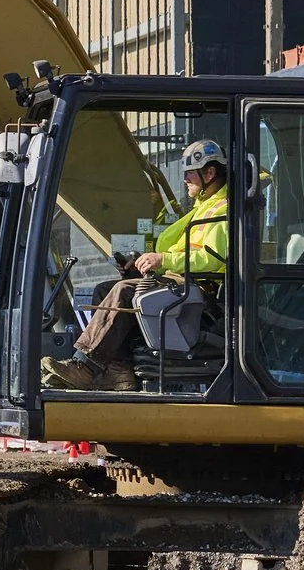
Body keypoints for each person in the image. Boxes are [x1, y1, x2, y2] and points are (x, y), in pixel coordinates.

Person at [47, 140, 230, 392]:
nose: (185, 179)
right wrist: (142, 265)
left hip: (197, 290)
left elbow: (213, 258)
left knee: (124, 292)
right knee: (104, 290)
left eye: (190, 173)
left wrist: (163, 260)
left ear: (209, 173)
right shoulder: (202, 208)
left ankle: (85, 367)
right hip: (177, 282)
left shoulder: (224, 209)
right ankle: (119, 374)